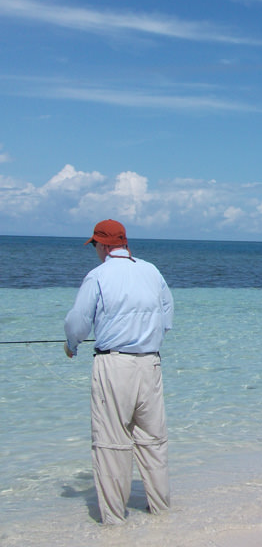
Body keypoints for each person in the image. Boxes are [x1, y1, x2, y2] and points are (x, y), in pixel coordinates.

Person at [63, 219, 174, 524]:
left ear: (103, 245)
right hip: (151, 364)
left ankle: (114, 523)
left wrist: (71, 345)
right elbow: (166, 316)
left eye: (95, 246)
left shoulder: (98, 275)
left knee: (111, 442)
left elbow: (78, 321)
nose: (96, 251)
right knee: (153, 441)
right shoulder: (151, 271)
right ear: (124, 243)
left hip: (114, 365)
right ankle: (162, 514)